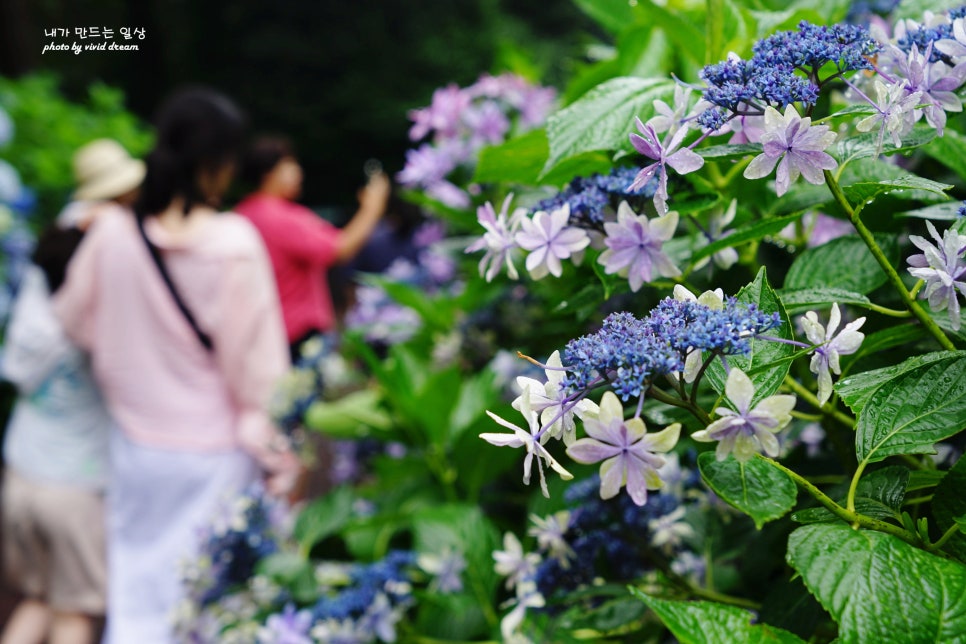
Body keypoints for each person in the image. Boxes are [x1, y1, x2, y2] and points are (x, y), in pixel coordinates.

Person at [53, 87, 301, 643]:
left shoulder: (112, 231)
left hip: (135, 448)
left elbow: (72, 319)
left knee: (138, 599)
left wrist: (128, 362)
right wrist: (277, 444)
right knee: (207, 610)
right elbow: (259, 370)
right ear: (215, 163)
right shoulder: (233, 242)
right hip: (212, 458)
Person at [0, 138, 144, 644]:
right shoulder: (108, 255)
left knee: (38, 600)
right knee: (75, 615)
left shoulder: (54, 243)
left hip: (21, 469)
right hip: (74, 486)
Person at [234, 136, 390, 361]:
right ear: (268, 173)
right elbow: (340, 248)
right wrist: (373, 207)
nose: (299, 173)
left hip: (262, 335)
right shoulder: (280, 217)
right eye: (289, 166)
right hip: (299, 337)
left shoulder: (242, 214)